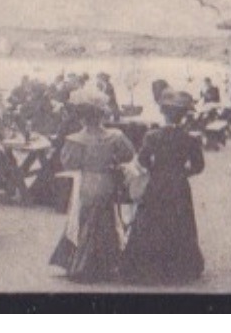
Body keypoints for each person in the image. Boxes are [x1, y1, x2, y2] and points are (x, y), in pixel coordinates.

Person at [49, 85, 136, 284]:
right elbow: (128, 154)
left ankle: (83, 264)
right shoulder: (115, 136)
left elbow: (68, 163)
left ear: (82, 118)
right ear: (102, 115)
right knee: (106, 220)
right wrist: (111, 161)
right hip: (106, 181)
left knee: (85, 219)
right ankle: (106, 263)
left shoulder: (76, 139)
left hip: (87, 181)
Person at [122, 90, 206, 285]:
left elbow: (142, 161)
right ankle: (179, 267)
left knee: (151, 221)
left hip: (157, 184)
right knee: (180, 222)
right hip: (179, 185)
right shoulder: (190, 139)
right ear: (184, 116)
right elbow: (199, 166)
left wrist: (156, 170)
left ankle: (149, 266)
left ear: (163, 113)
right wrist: (183, 173)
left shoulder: (152, 136)